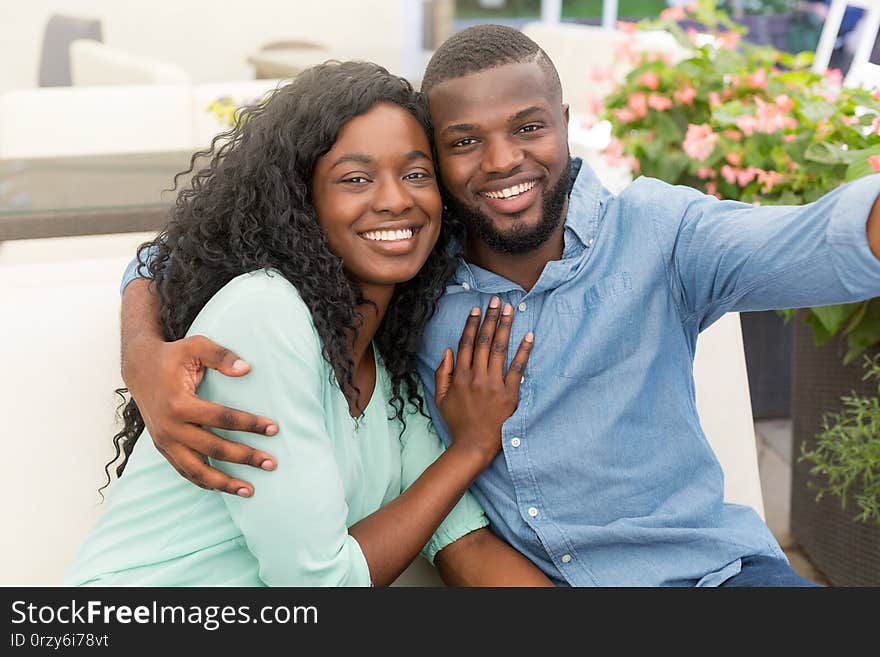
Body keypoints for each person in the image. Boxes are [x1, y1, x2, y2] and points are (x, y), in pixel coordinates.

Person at [117, 25, 880, 587]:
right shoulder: (408, 289)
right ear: (442, 165)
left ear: (566, 125)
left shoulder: (661, 234)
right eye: (464, 142)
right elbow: (172, 254)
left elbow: (825, 238)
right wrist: (145, 354)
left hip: (717, 578)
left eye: (528, 128)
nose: (505, 160)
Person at [64, 60, 553, 587]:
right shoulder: (265, 315)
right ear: (301, 202)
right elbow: (320, 585)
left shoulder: (382, 378)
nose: (395, 200)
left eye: (416, 174)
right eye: (355, 179)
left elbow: (467, 543)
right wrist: (471, 448)